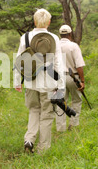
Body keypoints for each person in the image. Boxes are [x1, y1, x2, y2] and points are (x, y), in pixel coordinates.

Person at [14, 9, 65, 154]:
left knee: (33, 110)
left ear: (35, 21)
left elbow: (19, 60)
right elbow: (58, 63)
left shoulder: (25, 37)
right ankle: (43, 149)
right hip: (49, 83)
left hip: (30, 81)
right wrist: (60, 86)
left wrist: (17, 81)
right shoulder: (54, 38)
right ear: (48, 22)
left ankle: (29, 139)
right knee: (47, 115)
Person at [55, 25, 86, 132]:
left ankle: (60, 128)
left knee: (61, 102)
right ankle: (73, 125)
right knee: (76, 100)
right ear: (70, 34)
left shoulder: (55, 45)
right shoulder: (73, 46)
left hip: (58, 78)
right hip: (73, 77)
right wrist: (82, 81)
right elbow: (79, 65)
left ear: (60, 34)